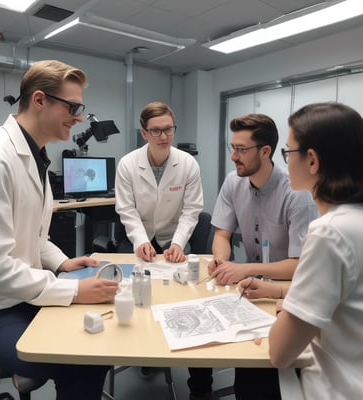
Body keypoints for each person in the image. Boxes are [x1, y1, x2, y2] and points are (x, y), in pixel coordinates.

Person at [0, 60, 118, 400]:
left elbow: (34, 236)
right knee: (78, 358)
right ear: (39, 100)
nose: (79, 117)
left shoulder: (36, 155)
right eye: (73, 107)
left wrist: (63, 264)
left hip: (17, 296)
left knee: (97, 341)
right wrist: (73, 292)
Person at [188, 113, 317, 400]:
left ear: (265, 151)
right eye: (232, 147)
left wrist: (244, 269)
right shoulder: (234, 182)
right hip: (253, 288)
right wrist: (222, 260)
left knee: (261, 375)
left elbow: (300, 266)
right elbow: (221, 235)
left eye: (241, 149)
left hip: (287, 293)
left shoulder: (296, 194)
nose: (233, 156)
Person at [240, 102, 363, 399]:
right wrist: (282, 294)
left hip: (335, 386)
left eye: (288, 151)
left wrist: (287, 316)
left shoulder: (329, 232)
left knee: (251, 376)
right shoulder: (353, 221)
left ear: (312, 160)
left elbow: (280, 352)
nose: (285, 162)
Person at [115, 101, 203, 263]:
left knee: (179, 280)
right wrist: (141, 240)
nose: (164, 137)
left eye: (168, 129)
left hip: (173, 236)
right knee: (131, 277)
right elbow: (127, 210)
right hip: (139, 234)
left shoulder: (188, 163)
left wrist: (178, 243)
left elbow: (191, 210)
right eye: (156, 130)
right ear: (144, 133)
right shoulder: (127, 164)